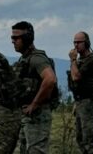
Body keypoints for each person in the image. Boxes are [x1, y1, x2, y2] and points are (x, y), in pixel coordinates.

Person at [11, 21, 58, 154]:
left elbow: (50, 79)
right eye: (12, 38)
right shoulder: (24, 59)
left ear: (27, 38)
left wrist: (34, 104)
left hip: (37, 115)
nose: (13, 41)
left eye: (16, 38)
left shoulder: (37, 59)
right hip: (27, 115)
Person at [68, 31, 93, 154]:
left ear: (87, 43)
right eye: (74, 42)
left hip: (89, 102)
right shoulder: (82, 60)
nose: (76, 45)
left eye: (79, 42)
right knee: (80, 138)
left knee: (89, 140)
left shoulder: (92, 61)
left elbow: (76, 77)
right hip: (81, 102)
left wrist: (73, 60)